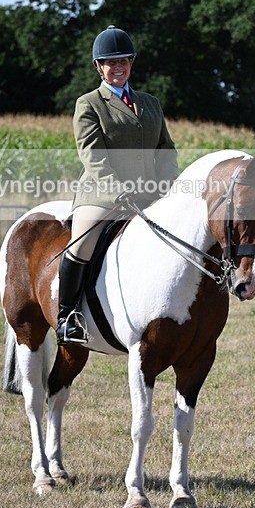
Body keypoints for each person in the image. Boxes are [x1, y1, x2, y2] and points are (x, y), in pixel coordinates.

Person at [56, 25, 180, 345]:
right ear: (99, 67)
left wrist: (168, 187)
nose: (118, 67)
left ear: (132, 62)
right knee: (81, 242)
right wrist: (118, 193)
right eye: (110, 62)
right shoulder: (89, 104)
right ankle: (67, 316)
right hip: (102, 195)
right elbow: (94, 157)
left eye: (123, 60)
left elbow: (165, 149)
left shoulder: (150, 103)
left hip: (149, 196)